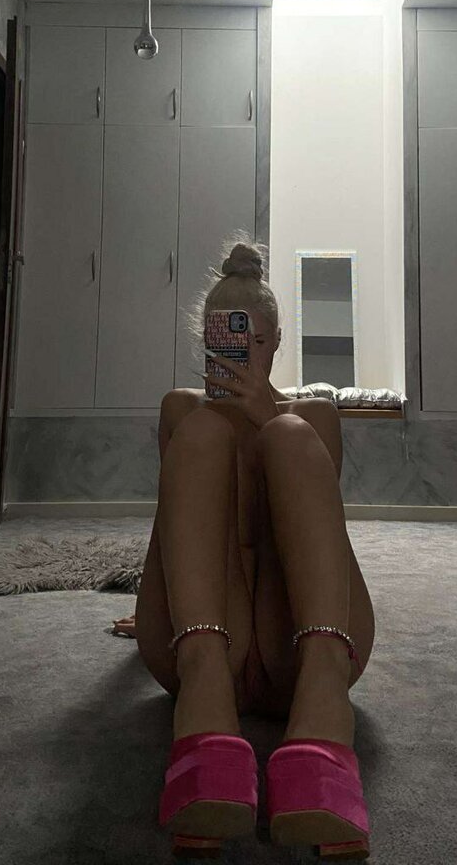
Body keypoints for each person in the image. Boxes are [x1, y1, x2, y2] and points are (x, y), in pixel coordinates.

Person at [118, 232, 375, 858]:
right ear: (208, 342)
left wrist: (268, 416)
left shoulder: (317, 415)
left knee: (291, 434)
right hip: (204, 640)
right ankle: (206, 705)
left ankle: (323, 699)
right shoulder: (180, 410)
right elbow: (174, 529)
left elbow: (321, 536)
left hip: (301, 635)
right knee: (202, 430)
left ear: (276, 341)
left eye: (254, 341)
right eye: (227, 341)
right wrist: (151, 608)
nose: (241, 354)